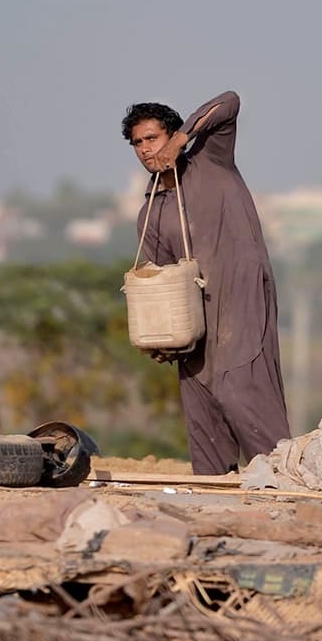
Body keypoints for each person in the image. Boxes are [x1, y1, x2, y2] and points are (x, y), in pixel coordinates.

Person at [124, 90, 289, 475]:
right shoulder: (150, 212)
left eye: (153, 138)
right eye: (138, 143)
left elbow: (230, 102)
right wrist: (160, 339)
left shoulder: (211, 160)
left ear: (171, 134)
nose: (147, 149)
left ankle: (284, 480)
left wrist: (184, 139)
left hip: (241, 297)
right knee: (202, 407)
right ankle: (216, 491)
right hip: (196, 322)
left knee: (238, 390)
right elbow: (159, 282)